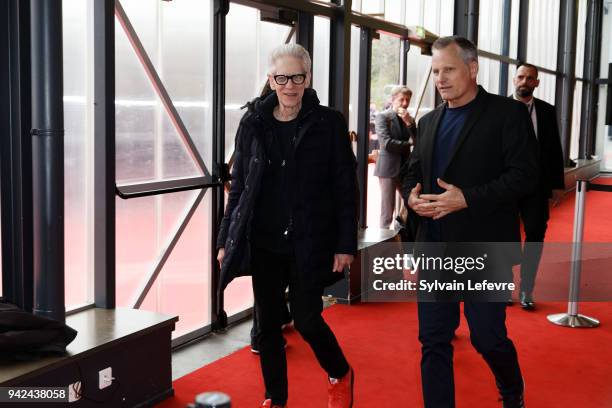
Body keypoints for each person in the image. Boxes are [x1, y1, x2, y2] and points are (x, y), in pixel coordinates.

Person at [216, 43, 357, 408]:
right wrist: (225, 239)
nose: (290, 85)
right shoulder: (253, 122)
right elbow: (241, 187)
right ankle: (274, 399)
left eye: (297, 77)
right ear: (271, 80)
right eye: (282, 78)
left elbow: (345, 188)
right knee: (267, 328)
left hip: (310, 241)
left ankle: (340, 372)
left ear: (308, 78)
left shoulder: (329, 123)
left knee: (308, 320)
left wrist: (345, 244)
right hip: (264, 242)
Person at [401, 36, 538, 408]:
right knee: (433, 339)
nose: (440, 78)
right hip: (435, 248)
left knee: (487, 338)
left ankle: (512, 390)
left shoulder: (506, 115)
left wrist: (467, 198)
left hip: (484, 246)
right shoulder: (428, 123)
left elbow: (525, 176)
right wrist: (412, 196)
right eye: (435, 71)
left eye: (448, 69)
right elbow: (412, 173)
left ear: (472, 68)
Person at [511, 63, 565, 310]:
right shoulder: (498, 110)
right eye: (521, 76)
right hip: (503, 187)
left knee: (535, 235)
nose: (524, 81)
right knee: (503, 238)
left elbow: (554, 149)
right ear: (514, 80)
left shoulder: (546, 111)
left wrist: (556, 186)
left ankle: (526, 289)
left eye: (530, 78)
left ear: (536, 83)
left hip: (536, 187)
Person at [374, 86, 417, 229]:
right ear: (393, 100)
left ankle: (400, 229)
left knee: (411, 202)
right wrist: (408, 144)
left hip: (405, 168)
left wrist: (409, 123)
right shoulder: (383, 117)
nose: (405, 103)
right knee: (387, 210)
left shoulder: (408, 119)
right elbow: (386, 143)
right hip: (388, 168)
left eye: (408, 100)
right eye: (402, 99)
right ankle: (383, 245)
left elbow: (418, 141)